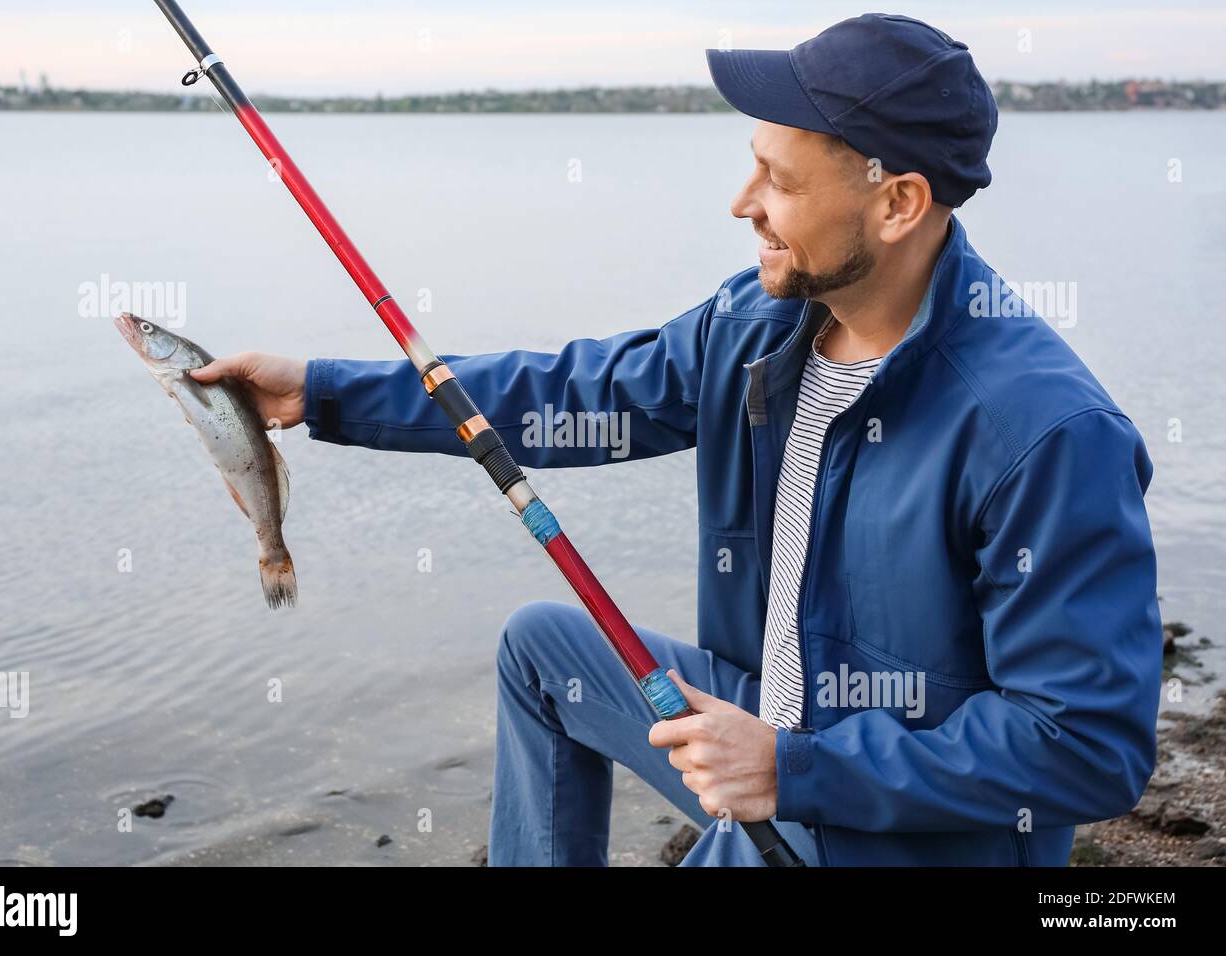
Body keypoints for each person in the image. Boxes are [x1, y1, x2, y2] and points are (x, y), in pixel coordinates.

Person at [191, 14, 1162, 866]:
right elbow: (573, 390)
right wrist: (320, 394)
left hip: (893, 828)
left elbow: (1086, 744)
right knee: (543, 647)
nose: (743, 203)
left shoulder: (1045, 431)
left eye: (777, 180)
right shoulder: (760, 323)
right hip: (770, 726)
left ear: (897, 201)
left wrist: (792, 766)